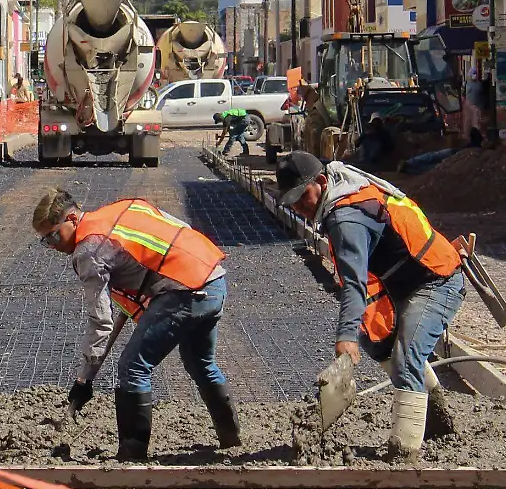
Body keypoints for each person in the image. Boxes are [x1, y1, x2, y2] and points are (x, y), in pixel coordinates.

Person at [276, 151, 466, 462]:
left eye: (302, 197)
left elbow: (354, 283)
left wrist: (346, 335)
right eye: (292, 201)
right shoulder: (341, 191)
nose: (298, 207)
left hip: (436, 281)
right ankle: (438, 423)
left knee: (407, 358)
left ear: (321, 183)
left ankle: (404, 455)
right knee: (382, 347)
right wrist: (360, 333)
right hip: (403, 283)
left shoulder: (345, 217)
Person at [33, 188, 238, 460]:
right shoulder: (118, 211)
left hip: (184, 290)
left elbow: (100, 321)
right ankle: (231, 438)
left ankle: (132, 455)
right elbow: (174, 233)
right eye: (45, 241)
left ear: (71, 220)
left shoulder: (88, 250)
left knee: (132, 366)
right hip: (212, 278)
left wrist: (84, 379)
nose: (52, 246)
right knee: (199, 363)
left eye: (53, 236)